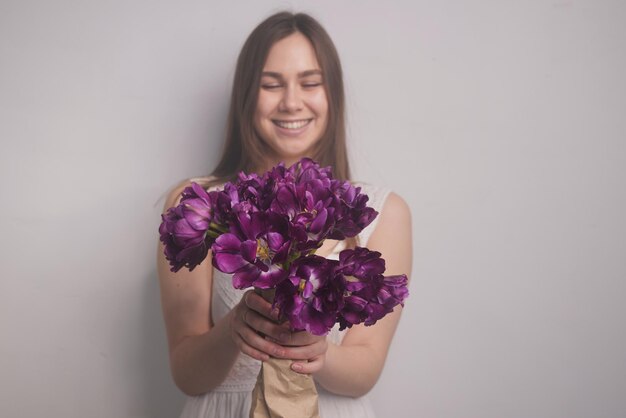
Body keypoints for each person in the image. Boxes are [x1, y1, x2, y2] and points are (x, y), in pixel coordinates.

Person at [157, 11, 412, 418]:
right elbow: (186, 373)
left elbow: (366, 369)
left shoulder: (384, 211)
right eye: (270, 85)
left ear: (333, 93)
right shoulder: (198, 204)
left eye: (310, 83)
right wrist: (234, 330)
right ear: (246, 96)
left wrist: (321, 354)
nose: (292, 102)